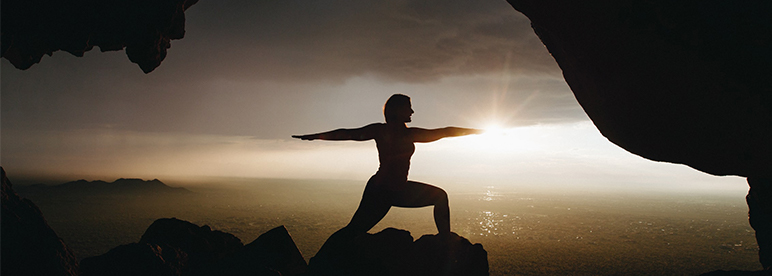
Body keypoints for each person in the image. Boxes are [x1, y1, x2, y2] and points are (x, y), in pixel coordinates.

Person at [293, 94, 481, 245]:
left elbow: (444, 132)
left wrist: (477, 131)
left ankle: (444, 240)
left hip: (397, 189)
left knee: (440, 197)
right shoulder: (382, 131)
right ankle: (323, 259)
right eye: (409, 107)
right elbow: (348, 134)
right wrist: (316, 136)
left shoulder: (408, 134)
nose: (412, 111)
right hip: (380, 191)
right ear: (398, 110)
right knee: (355, 229)